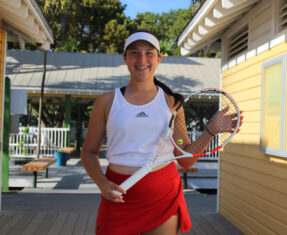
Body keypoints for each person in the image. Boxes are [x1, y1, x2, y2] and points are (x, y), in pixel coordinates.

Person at [81, 30, 242, 235]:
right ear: (125, 58)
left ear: (159, 58)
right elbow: (88, 153)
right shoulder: (106, 101)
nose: (142, 59)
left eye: (149, 53)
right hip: (117, 195)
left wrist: (210, 131)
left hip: (162, 198)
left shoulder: (173, 103)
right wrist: (103, 184)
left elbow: (185, 158)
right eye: (135, 53)